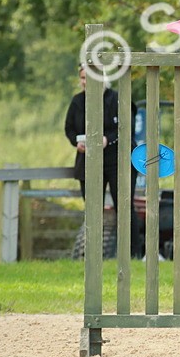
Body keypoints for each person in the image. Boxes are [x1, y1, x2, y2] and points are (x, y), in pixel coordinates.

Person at [65, 66, 141, 257]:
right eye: (83, 78)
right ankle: (91, 254)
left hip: (119, 159)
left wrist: (107, 139)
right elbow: (69, 128)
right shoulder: (77, 101)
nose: (85, 82)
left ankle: (133, 254)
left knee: (124, 207)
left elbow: (127, 127)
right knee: (92, 208)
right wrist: (77, 142)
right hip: (90, 160)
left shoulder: (117, 98)